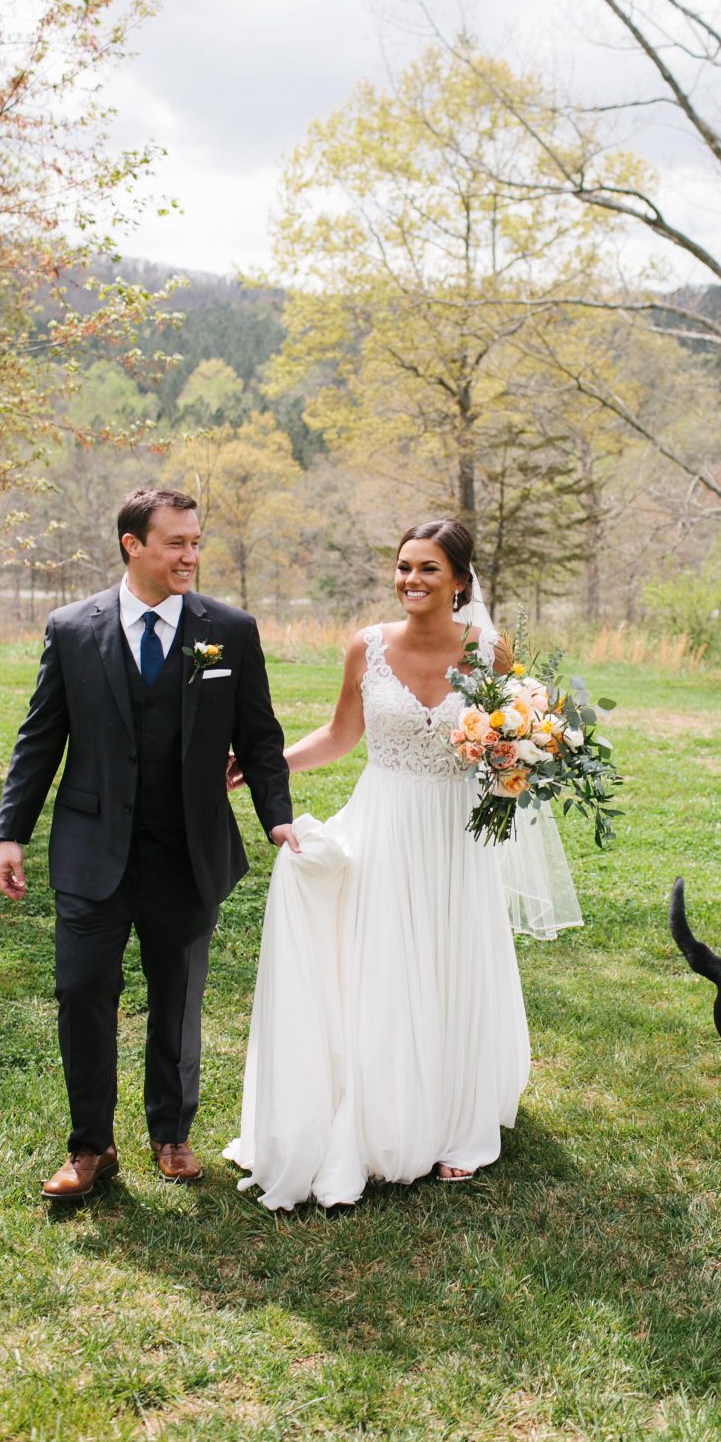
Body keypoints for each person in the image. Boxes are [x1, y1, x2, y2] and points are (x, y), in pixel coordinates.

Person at [224, 517, 568, 1210]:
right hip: (384, 821)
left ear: (460, 581)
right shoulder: (367, 647)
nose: (412, 580)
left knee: (449, 962)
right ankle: (384, 1112)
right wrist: (265, 765)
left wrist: (514, 758)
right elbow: (342, 733)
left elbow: (537, 732)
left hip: (454, 834)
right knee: (384, 966)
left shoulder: (489, 652)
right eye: (404, 567)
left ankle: (456, 1124)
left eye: (429, 569)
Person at [0, 486, 295, 1201]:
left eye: (196, 542)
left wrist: (277, 817)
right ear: (134, 544)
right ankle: (91, 1147)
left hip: (187, 850)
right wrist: (12, 832)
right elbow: (41, 738)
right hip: (91, 847)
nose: (190, 555)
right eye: (176, 543)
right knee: (82, 991)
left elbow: (259, 738)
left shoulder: (230, 629)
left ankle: (172, 1134)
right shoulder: (72, 628)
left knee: (178, 997)